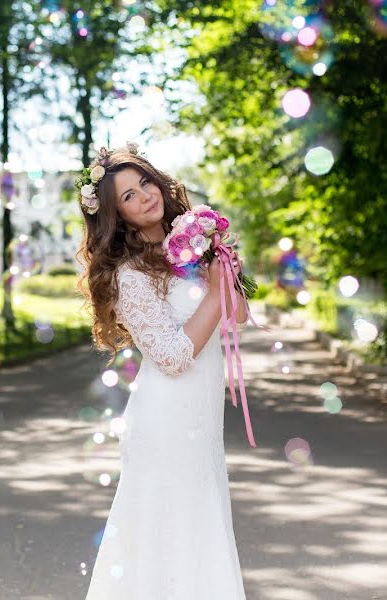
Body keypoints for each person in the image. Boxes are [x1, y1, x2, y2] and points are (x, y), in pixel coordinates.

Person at [76, 142, 248, 599]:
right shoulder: (128, 275)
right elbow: (171, 357)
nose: (144, 196)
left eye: (145, 183)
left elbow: (237, 317)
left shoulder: (188, 252)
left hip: (201, 419)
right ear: (118, 215)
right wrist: (213, 294)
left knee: (198, 531)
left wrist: (224, 268)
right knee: (166, 537)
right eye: (128, 196)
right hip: (166, 422)